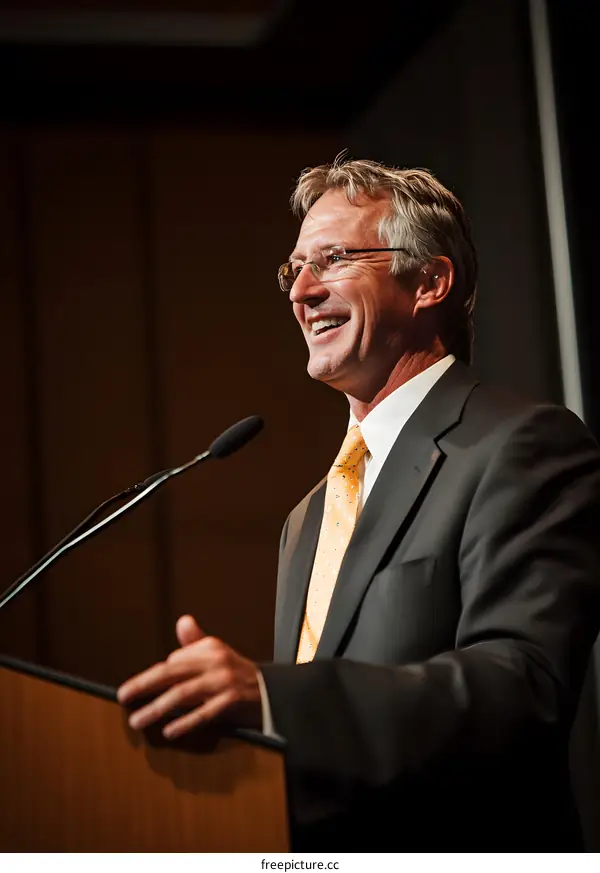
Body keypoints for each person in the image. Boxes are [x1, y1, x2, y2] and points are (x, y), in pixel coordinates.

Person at [117, 158, 600, 850]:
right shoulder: (307, 517)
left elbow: (521, 689)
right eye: (294, 270)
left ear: (430, 281)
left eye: (334, 259)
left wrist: (275, 698)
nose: (302, 292)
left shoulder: (523, 446)